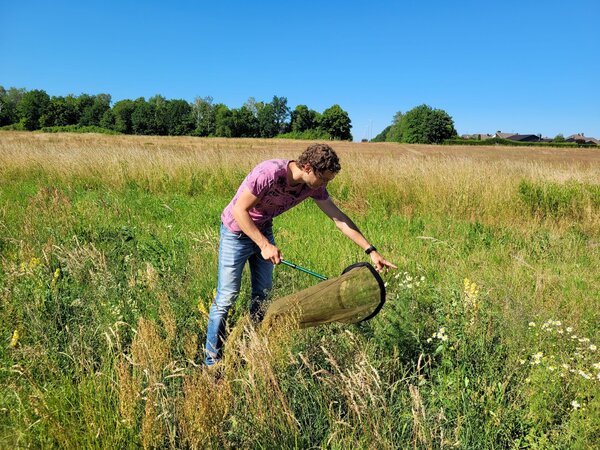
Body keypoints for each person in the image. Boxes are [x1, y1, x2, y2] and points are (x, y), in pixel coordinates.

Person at [204, 143, 396, 366]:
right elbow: (239, 210)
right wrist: (264, 245)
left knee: (262, 296)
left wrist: (371, 250)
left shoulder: (314, 187)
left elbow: (338, 218)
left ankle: (251, 346)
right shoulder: (268, 173)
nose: (324, 185)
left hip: (263, 229)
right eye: (323, 179)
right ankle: (212, 362)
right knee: (226, 297)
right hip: (235, 233)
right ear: (307, 168)